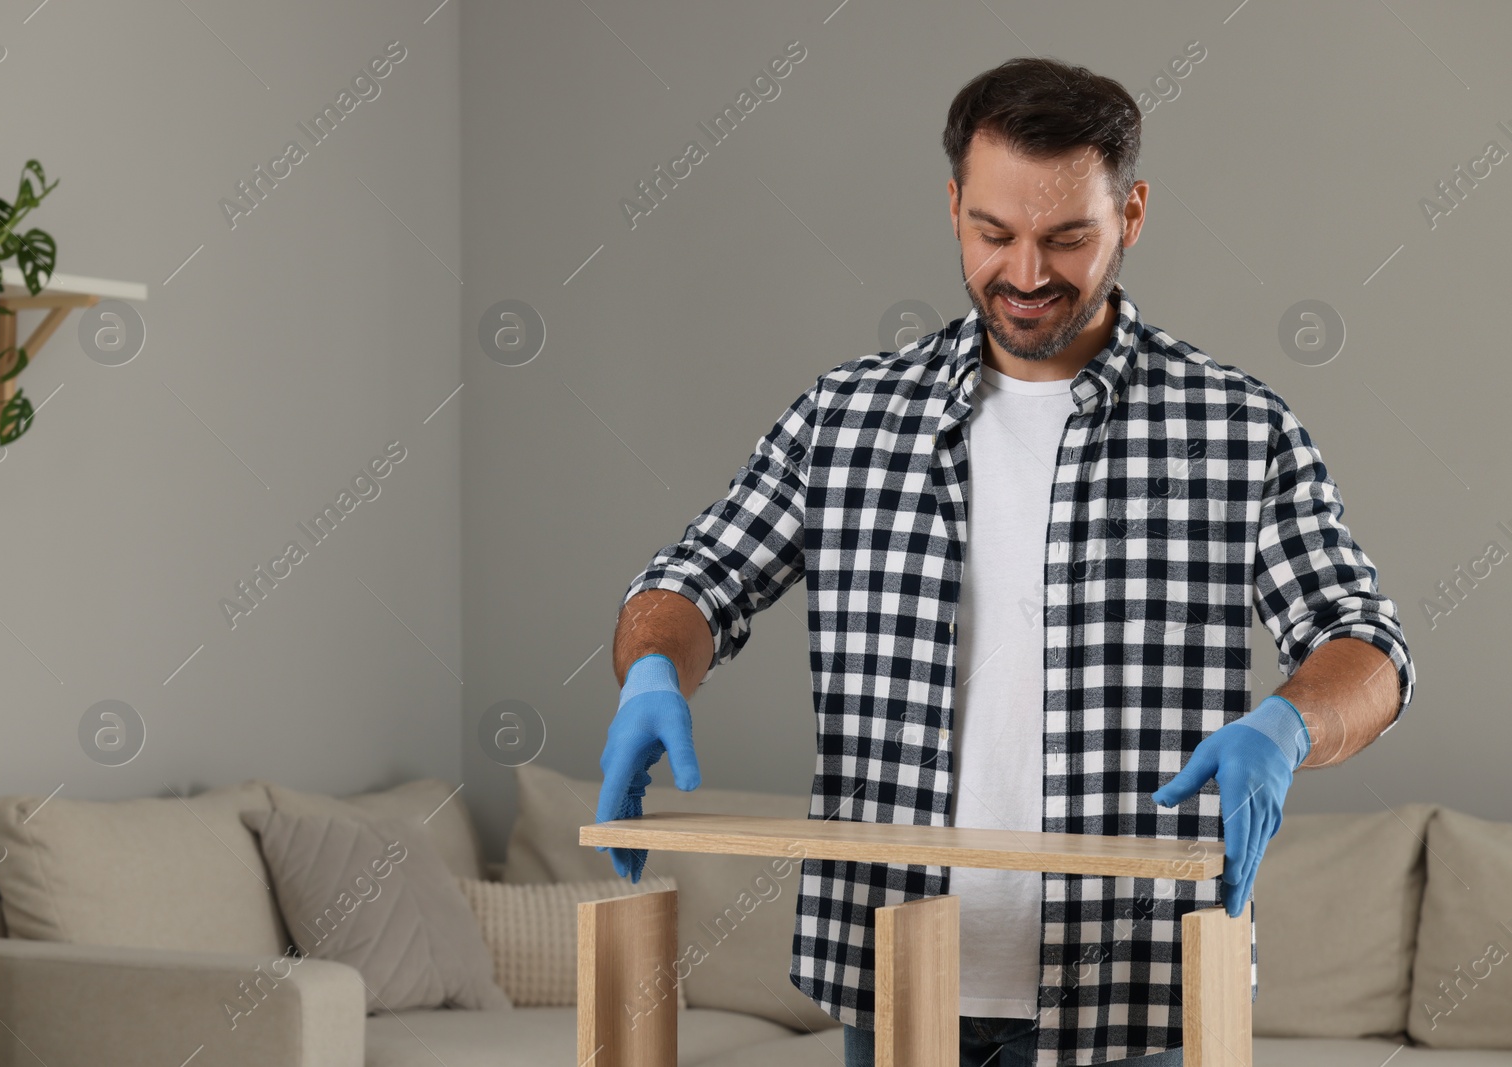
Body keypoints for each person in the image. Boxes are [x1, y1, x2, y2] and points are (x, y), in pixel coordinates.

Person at [596, 56, 1415, 1067]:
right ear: (952, 208)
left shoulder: (1236, 429)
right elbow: (696, 576)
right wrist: (652, 667)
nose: (1026, 273)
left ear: (1132, 212)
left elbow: (1363, 641)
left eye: (1067, 236)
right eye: (994, 233)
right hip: (898, 980)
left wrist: (1291, 725)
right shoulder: (847, 418)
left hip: (1139, 991)